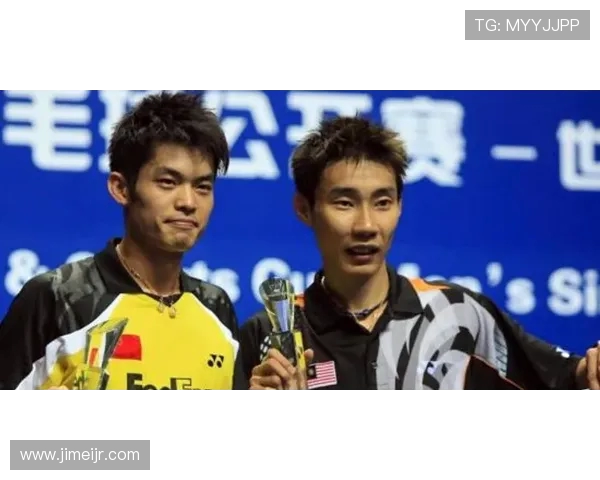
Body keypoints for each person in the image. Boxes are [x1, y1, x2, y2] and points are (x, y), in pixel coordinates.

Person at [240, 115, 600, 390]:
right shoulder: (269, 334)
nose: (366, 225)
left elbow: (568, 377)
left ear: (399, 206)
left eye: (382, 202)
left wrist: (590, 368)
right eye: (345, 203)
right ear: (304, 209)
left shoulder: (458, 313)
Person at [0, 91, 247, 391]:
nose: (188, 202)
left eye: (202, 186)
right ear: (121, 188)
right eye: (168, 182)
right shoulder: (57, 297)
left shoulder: (216, 306)